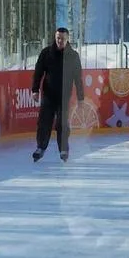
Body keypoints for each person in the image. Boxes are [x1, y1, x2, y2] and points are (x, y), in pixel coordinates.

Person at [31, 27, 85, 162]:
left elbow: (78, 78)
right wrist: (35, 90)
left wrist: (80, 98)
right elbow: (38, 72)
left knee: (62, 124)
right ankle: (40, 147)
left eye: (63, 39)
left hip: (64, 96)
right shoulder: (46, 53)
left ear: (67, 40)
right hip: (48, 94)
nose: (60, 41)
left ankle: (63, 149)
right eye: (58, 38)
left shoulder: (73, 56)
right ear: (55, 38)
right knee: (44, 122)